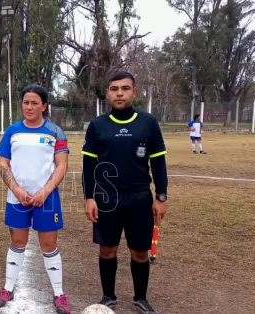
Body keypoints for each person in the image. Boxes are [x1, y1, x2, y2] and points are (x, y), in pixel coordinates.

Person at [81, 71, 168, 314]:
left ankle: (140, 298)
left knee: (140, 252)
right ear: (107, 93)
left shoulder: (147, 123)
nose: (120, 93)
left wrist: (161, 196)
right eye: (114, 88)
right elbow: (89, 165)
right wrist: (89, 197)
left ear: (134, 92)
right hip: (106, 199)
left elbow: (158, 162)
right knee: (107, 249)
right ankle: (108, 296)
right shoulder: (98, 125)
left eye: (125, 88)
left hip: (140, 197)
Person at [0, 84, 72, 314]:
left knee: (49, 246)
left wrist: (45, 191)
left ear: (44, 106)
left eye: (34, 102)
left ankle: (59, 294)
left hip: (47, 199)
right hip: (16, 198)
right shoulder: (12, 131)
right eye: (26, 102)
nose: (29, 106)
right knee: (18, 243)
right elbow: (2, 164)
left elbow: (62, 165)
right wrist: (16, 189)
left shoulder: (55, 132)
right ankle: (7, 289)